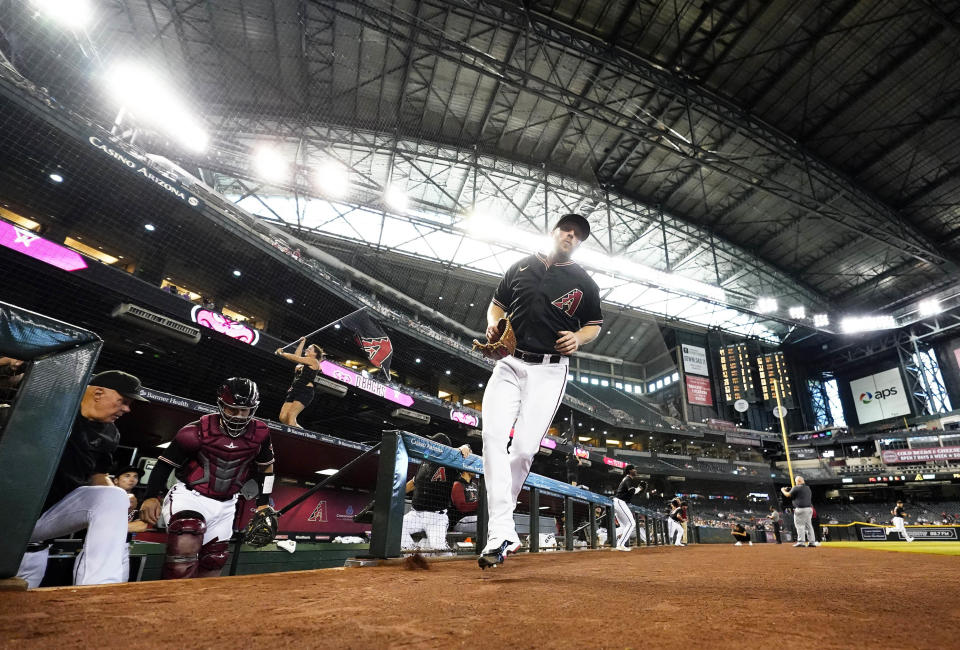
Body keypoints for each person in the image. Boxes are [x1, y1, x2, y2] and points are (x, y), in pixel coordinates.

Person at [477, 213, 602, 569]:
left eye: (579, 235)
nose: (572, 235)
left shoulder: (583, 281)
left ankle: (502, 525)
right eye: (567, 229)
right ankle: (500, 531)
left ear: (580, 243)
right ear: (555, 231)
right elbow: (497, 304)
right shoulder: (520, 267)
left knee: (524, 450)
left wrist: (578, 337)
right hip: (509, 362)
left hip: (549, 371)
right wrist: (493, 325)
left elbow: (594, 324)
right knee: (492, 438)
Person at [16, 371, 147, 588]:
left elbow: (99, 476)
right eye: (123, 401)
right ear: (98, 393)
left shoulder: (109, 434)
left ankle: (98, 588)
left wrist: (119, 503)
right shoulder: (48, 407)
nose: (127, 409)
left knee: (114, 495)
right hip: (9, 516)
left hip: (40, 527)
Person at [139, 378, 275, 579]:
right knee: (186, 535)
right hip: (191, 497)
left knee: (214, 560)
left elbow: (267, 470)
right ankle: (169, 603)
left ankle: (197, 607)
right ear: (221, 405)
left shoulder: (260, 434)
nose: (238, 416)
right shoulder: (196, 430)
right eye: (232, 410)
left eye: (244, 411)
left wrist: (263, 504)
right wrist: (151, 496)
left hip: (228, 503)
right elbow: (165, 464)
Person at [400, 434, 471, 550]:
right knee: (397, 527)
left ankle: (447, 558)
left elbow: (466, 454)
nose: (430, 446)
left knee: (439, 550)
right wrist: (395, 493)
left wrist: (465, 447)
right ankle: (413, 553)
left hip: (436, 517)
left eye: (434, 444)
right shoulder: (425, 461)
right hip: (416, 514)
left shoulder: (451, 463)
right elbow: (414, 482)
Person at [275, 337, 323, 427]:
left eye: (310, 349)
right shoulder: (302, 364)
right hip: (294, 390)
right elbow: (297, 356)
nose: (307, 349)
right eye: (307, 347)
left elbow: (295, 358)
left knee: (290, 417)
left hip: (305, 391)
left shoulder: (314, 362)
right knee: (283, 417)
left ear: (315, 353)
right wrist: (302, 342)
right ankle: (301, 432)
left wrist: (282, 353)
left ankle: (299, 437)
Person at [612, 465, 645, 551]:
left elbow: (631, 491)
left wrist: (639, 488)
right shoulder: (628, 479)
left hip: (619, 502)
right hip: (620, 502)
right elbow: (631, 490)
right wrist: (639, 488)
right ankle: (620, 544)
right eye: (634, 469)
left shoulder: (627, 479)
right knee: (631, 523)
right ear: (630, 471)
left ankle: (609, 538)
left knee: (624, 526)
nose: (635, 470)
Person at [781, 476, 817, 547]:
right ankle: (812, 542)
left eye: (796, 481)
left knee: (800, 525)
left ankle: (801, 542)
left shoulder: (796, 487)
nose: (795, 483)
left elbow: (787, 495)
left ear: (799, 481)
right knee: (809, 526)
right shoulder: (807, 488)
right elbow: (799, 494)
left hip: (801, 509)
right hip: (809, 509)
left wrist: (783, 490)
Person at [113, 465, 149, 533]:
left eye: (135, 476)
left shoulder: (138, 501)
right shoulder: (107, 498)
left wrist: (109, 526)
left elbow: (142, 526)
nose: (132, 480)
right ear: (116, 480)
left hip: (123, 542)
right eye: (127, 476)